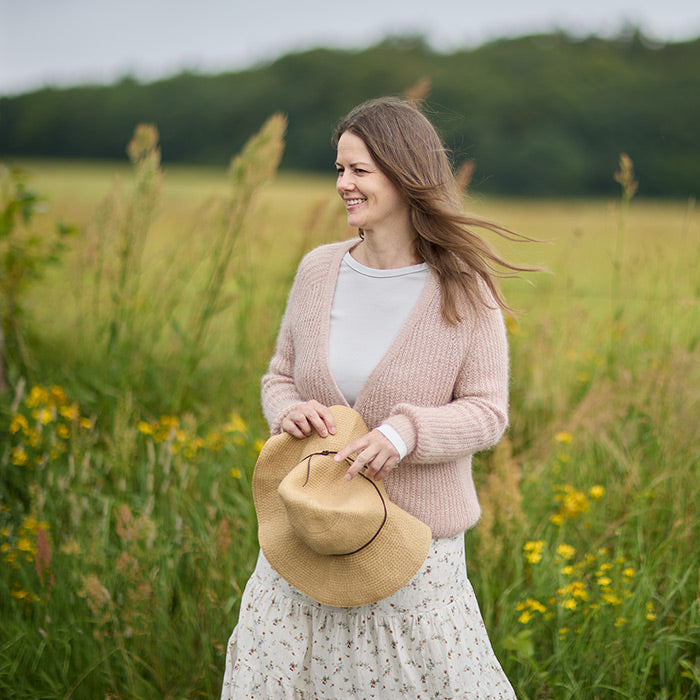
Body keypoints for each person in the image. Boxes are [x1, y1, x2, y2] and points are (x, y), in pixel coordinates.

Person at [221, 96, 529, 699]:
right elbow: (279, 376)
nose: (344, 184)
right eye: (339, 170)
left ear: (404, 172)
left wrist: (403, 434)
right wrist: (286, 411)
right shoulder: (318, 270)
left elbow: (488, 413)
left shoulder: (463, 288)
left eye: (359, 170)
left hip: (414, 553)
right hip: (305, 539)